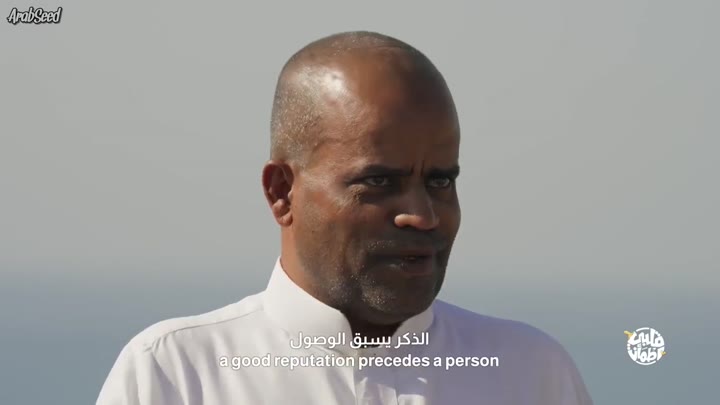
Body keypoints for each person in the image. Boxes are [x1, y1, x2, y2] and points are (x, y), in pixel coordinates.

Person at [97, 30, 593, 405]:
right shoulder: (176, 376)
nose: (422, 215)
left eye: (440, 181)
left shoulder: (532, 374)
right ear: (282, 192)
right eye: (379, 182)